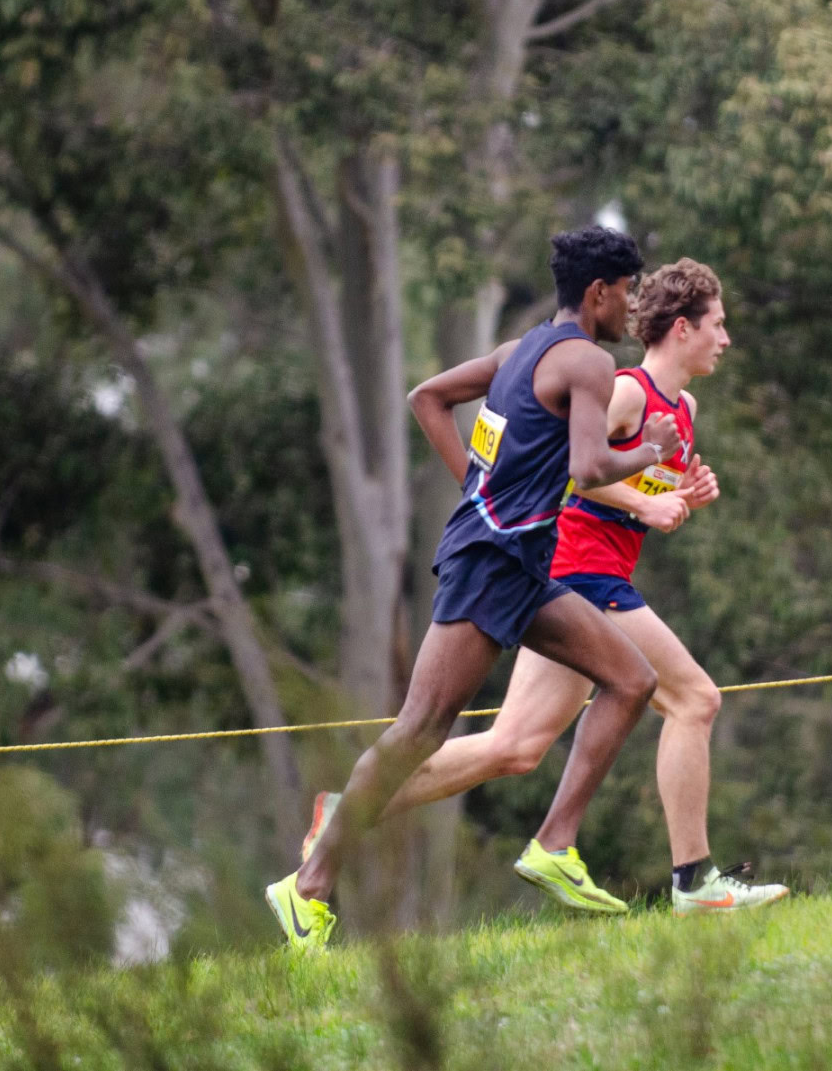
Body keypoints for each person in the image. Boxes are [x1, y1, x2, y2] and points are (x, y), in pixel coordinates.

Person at [291, 259, 788, 916]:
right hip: (580, 572)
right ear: (681, 328)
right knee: (694, 699)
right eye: (718, 325)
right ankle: (695, 882)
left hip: (579, 577)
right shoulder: (627, 392)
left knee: (516, 747)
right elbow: (576, 472)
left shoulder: (685, 408)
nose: (726, 339)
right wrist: (644, 504)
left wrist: (682, 496)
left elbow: (637, 490)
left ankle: (344, 813)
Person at [265, 225, 678, 950]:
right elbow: (587, 468)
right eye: (630, 290)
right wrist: (649, 452)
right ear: (599, 292)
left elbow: (428, 398)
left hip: (519, 565)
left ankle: (553, 844)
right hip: (490, 564)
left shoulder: (520, 350)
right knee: (420, 728)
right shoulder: (584, 359)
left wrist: (477, 489)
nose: (634, 305)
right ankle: (306, 889)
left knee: (630, 679)